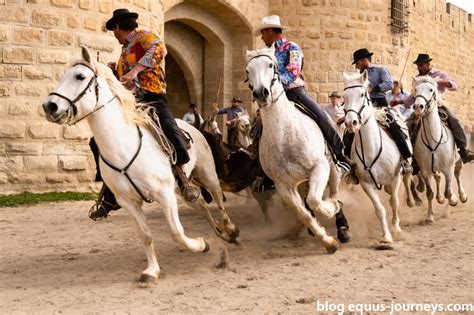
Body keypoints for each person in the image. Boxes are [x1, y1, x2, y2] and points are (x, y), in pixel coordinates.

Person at [89, 8, 200, 221]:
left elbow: (159, 50)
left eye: (114, 30)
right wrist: (114, 70)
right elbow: (124, 76)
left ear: (118, 27)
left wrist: (134, 71)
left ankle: (183, 179)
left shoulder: (144, 36)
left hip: (152, 96)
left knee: (168, 129)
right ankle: (109, 190)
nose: (114, 34)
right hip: (131, 102)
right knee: (100, 141)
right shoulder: (124, 51)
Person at [255, 15, 351, 173]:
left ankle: (340, 156)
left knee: (321, 115)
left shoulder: (291, 47)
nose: (262, 37)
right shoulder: (265, 53)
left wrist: (277, 85)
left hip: (294, 91)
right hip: (273, 97)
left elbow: (293, 71)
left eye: (263, 33)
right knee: (257, 126)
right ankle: (260, 167)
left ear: (270, 30)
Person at [391, 53, 474, 168]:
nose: (418, 68)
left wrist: (440, 82)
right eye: (418, 66)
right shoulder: (418, 79)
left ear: (428, 64)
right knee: (407, 125)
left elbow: (454, 85)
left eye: (421, 65)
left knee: (454, 120)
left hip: (439, 105)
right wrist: (399, 102)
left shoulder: (439, 74)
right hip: (421, 107)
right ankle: (412, 159)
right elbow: (413, 96)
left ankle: (464, 151)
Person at [344, 48, 413, 180]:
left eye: (357, 63)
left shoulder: (380, 70)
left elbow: (388, 84)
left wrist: (373, 88)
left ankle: (405, 160)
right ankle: (350, 166)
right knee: (348, 132)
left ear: (365, 60)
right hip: (361, 107)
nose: (357, 66)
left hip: (379, 103)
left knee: (394, 126)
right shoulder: (358, 76)